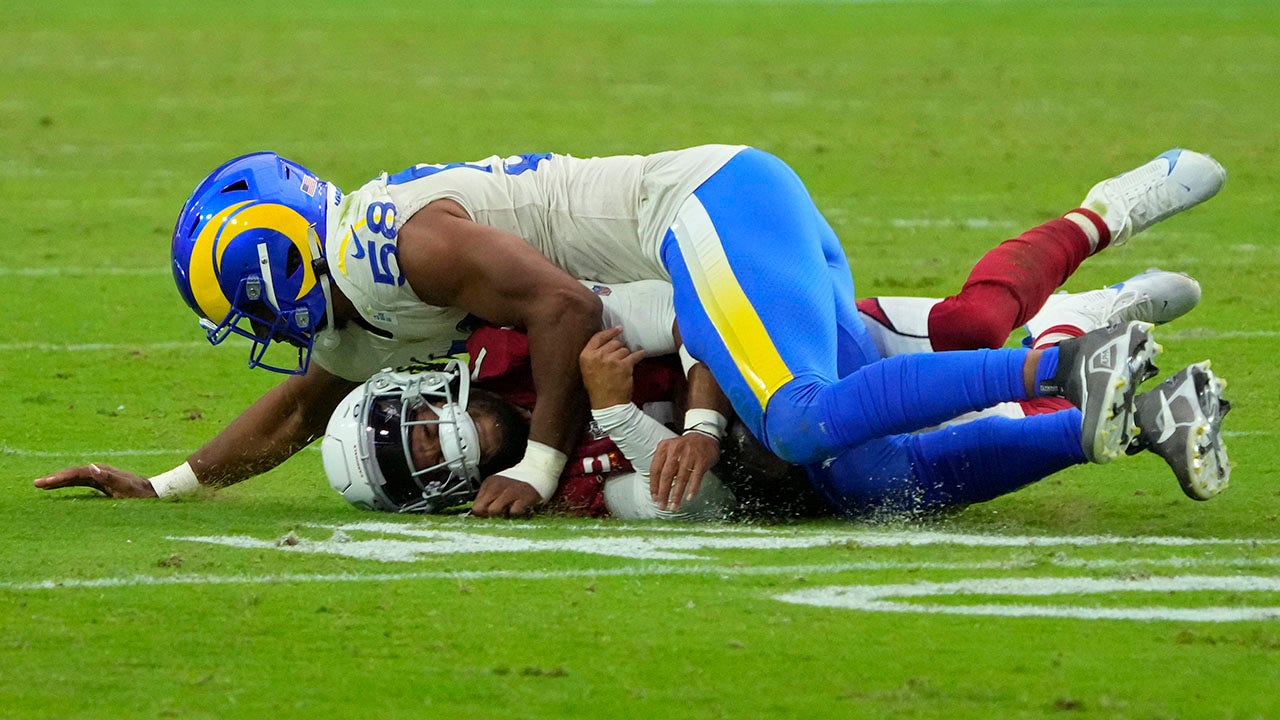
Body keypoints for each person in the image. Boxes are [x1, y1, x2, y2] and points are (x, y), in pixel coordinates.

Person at [35, 146, 1231, 516]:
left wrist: (563, 447)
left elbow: (574, 309)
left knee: (808, 418)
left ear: (280, 271)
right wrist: (170, 487)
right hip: (698, 273)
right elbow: (305, 403)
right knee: (861, 476)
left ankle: (1064, 351)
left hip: (702, 221)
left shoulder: (398, 248)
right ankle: (1108, 410)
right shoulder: (367, 299)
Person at [322, 263, 1217, 520]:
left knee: (973, 326)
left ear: (420, 386)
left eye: (418, 429)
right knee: (862, 478)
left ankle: (1077, 309)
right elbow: (694, 504)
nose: (443, 443)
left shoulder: (529, 340)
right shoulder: (554, 498)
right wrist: (618, 412)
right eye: (420, 465)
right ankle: (1114, 393)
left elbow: (695, 309)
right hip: (790, 429)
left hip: (777, 329)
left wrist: (697, 417)